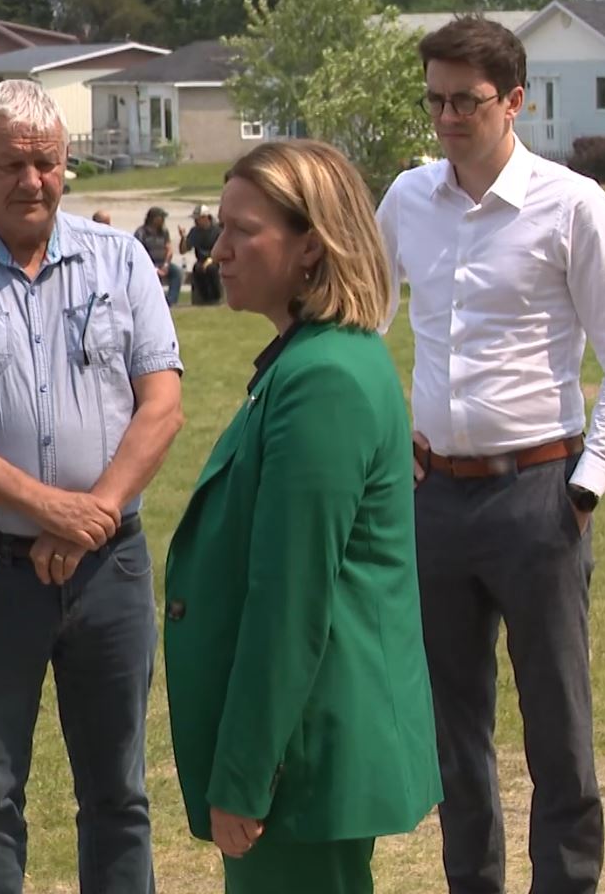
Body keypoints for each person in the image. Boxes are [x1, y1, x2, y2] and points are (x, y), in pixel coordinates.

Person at [377, 17, 605, 894]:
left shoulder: (572, 206)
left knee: (557, 727)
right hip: (436, 499)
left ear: (515, 102)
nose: (450, 116)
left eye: (468, 100)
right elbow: (361, 325)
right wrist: (393, 436)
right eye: (436, 99)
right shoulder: (407, 199)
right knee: (452, 731)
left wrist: (586, 486)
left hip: (540, 492)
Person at [0, 79, 183, 894]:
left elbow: (161, 406)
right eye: (12, 164)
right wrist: (46, 507)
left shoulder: (122, 261)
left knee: (119, 791)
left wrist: (88, 517)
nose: (33, 181)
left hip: (110, 569)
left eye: (48, 163)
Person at [165, 140, 442, 894]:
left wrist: (247, 774)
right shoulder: (307, 361)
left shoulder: (323, 377)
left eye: (242, 230)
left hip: (308, 753)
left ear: (311, 246)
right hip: (306, 746)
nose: (217, 249)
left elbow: (291, 599)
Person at [135, 205, 183, 306]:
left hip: (163, 263)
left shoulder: (164, 231)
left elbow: (169, 248)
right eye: (161, 217)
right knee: (152, 276)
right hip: (147, 265)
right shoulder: (141, 232)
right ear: (153, 218)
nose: (163, 220)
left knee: (177, 272)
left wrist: (165, 265)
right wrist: (154, 269)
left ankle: (170, 301)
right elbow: (139, 253)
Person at [178, 203, 223, 305]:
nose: (195, 221)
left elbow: (221, 250)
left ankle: (216, 297)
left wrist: (210, 260)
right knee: (197, 269)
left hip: (215, 260)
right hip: (201, 261)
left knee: (211, 269)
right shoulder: (195, 231)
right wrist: (183, 238)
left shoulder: (217, 231)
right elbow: (183, 250)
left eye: (197, 218)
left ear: (205, 218)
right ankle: (204, 299)